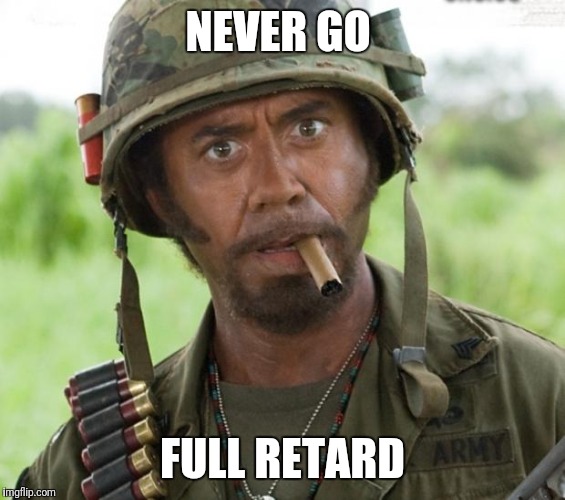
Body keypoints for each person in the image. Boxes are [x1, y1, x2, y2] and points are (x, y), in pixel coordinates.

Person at [17, 0, 565, 499]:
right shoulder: (80, 468)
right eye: (221, 149)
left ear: (374, 153)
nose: (278, 187)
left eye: (308, 128)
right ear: (161, 198)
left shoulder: (537, 400)